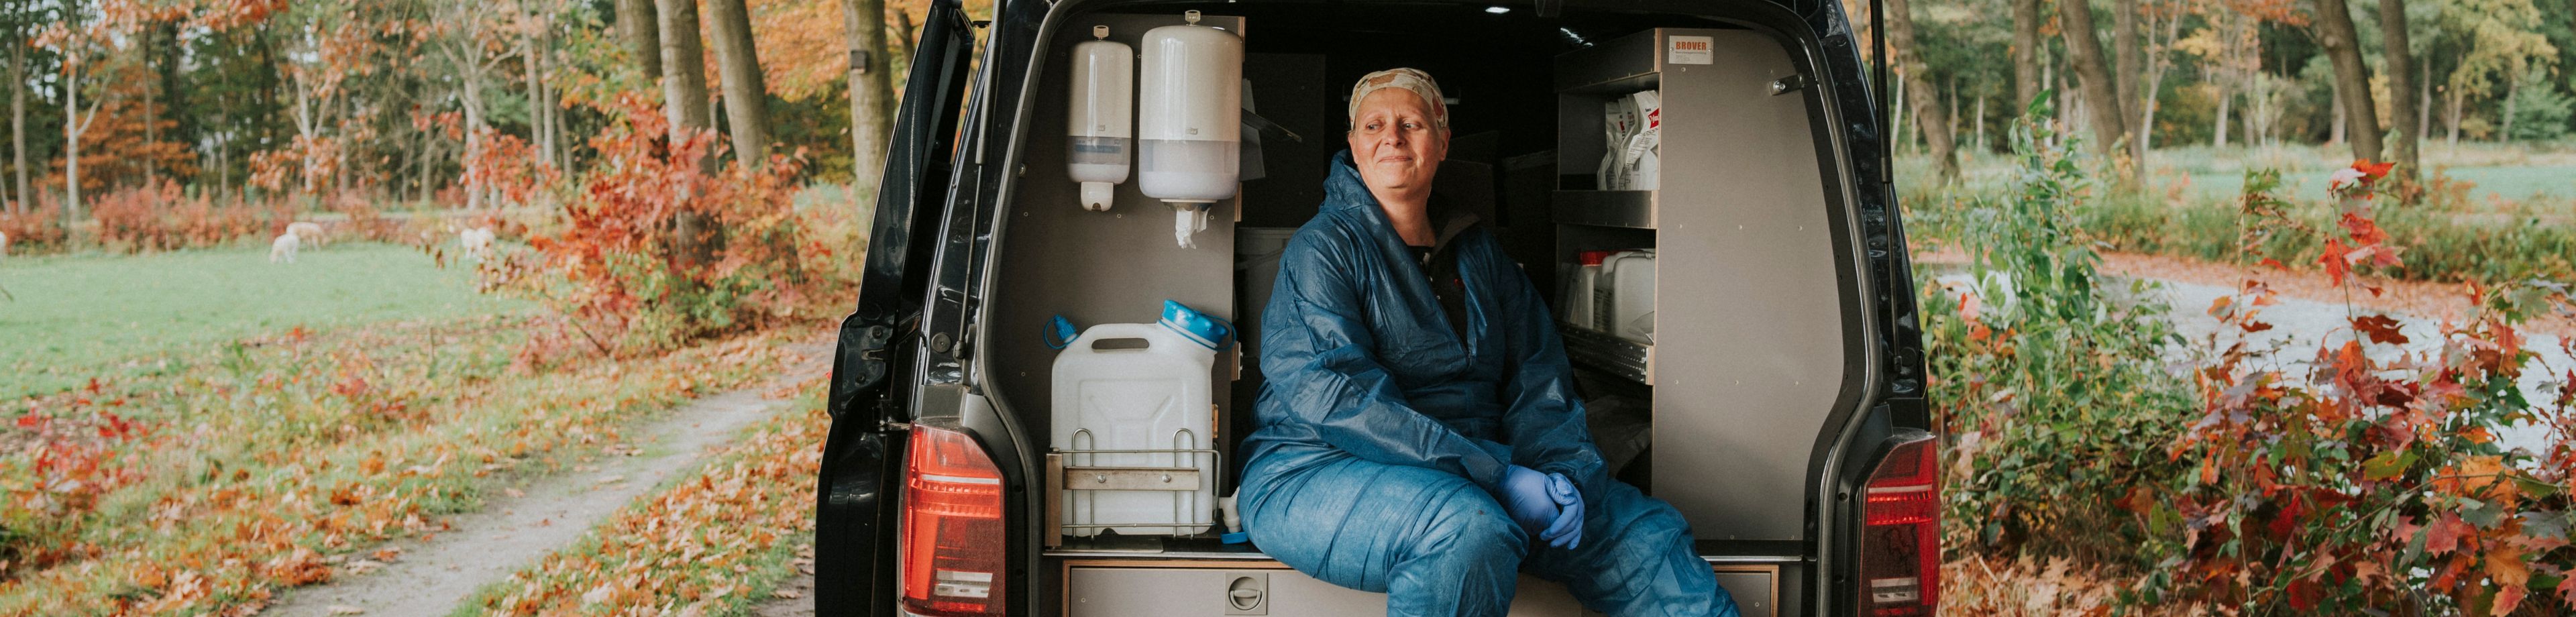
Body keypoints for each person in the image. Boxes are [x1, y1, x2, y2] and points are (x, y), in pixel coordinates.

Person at [1236, 68, 1741, 617]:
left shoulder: (1481, 254)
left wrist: (1563, 475)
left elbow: (1538, 378)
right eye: (1374, 125)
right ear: (1354, 146)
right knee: (1463, 529)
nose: (1393, 137)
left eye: (1412, 123)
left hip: (1477, 475)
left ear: (1443, 140)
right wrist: (1496, 475)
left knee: (1643, 533)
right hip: (1317, 469)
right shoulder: (1324, 249)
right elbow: (1337, 399)